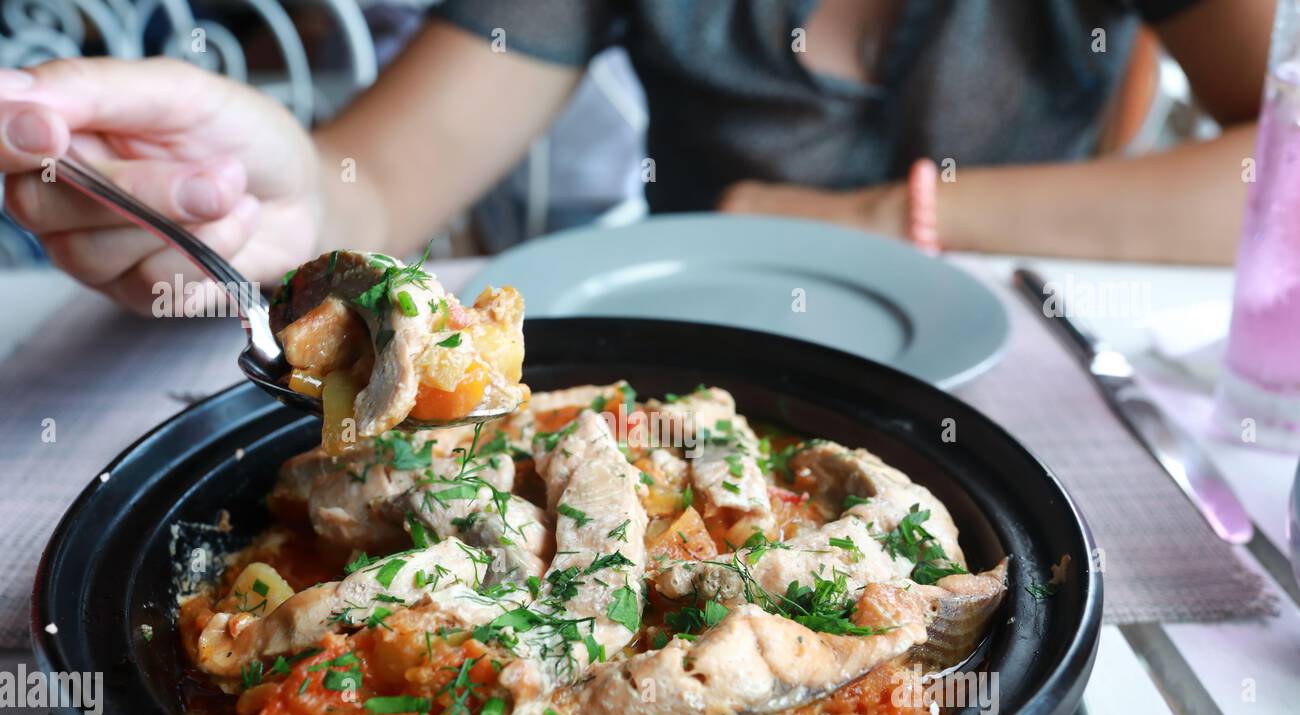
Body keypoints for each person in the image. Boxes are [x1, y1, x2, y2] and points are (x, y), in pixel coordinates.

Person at [0, 0, 1273, 316]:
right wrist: (271, 196)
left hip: (1032, 376)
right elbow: (371, 186)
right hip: (699, 362)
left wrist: (890, 219)